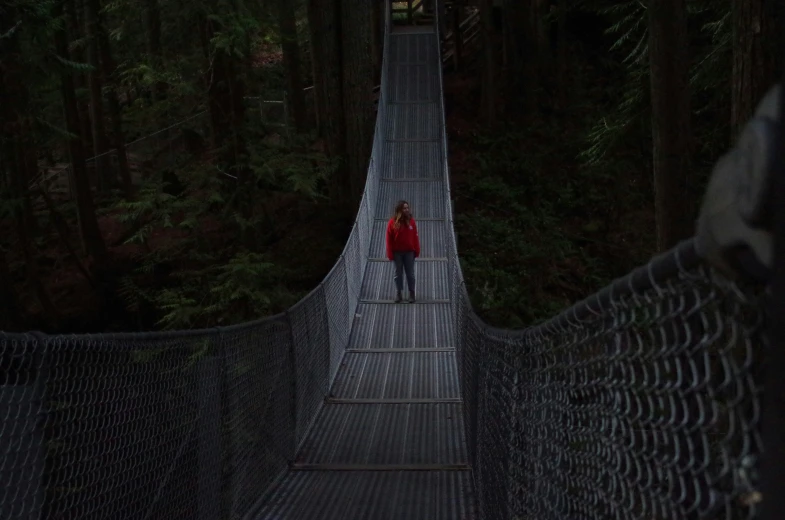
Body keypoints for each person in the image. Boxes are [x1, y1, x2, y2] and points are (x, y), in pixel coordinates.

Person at [385, 200, 420, 303]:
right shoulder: (392, 222)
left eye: (407, 208)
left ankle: (412, 293)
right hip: (397, 252)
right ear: (400, 210)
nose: (406, 210)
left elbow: (415, 237)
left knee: (410, 273)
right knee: (398, 273)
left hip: (409, 251)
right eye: (404, 208)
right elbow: (388, 239)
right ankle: (398, 293)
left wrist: (417, 250)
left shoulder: (411, 221)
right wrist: (390, 253)